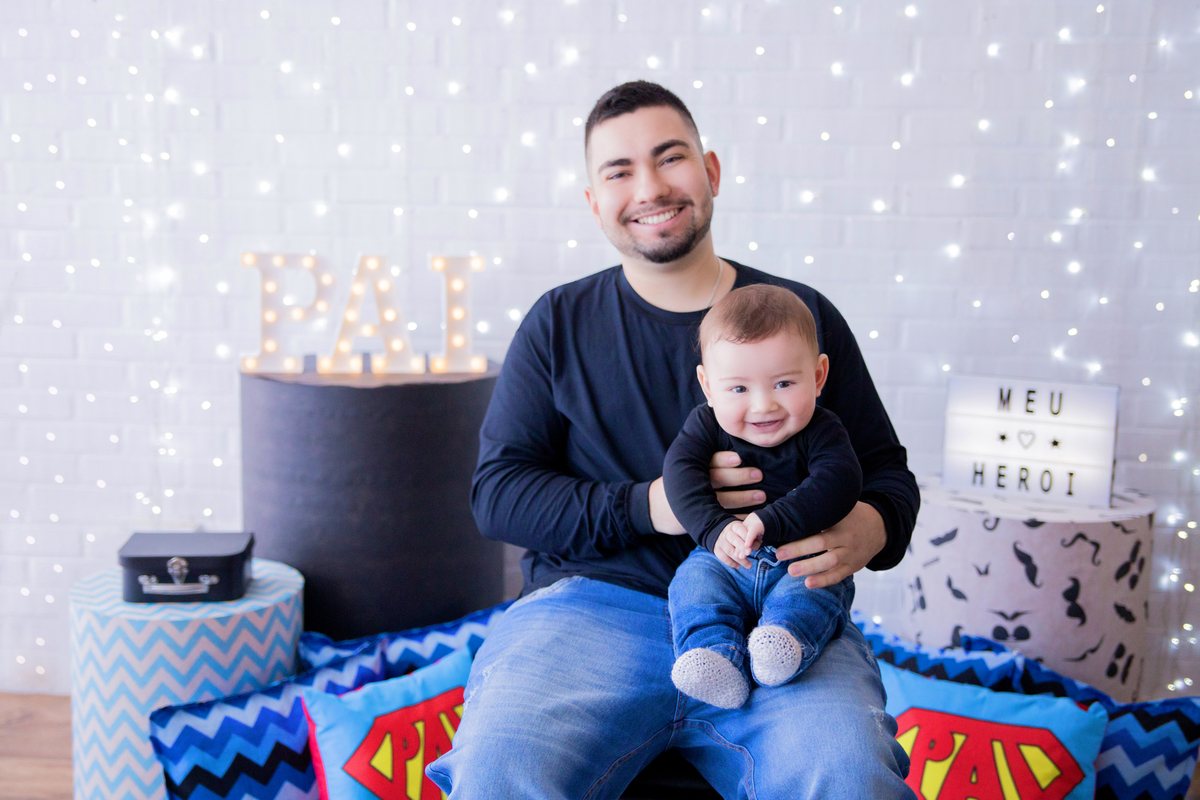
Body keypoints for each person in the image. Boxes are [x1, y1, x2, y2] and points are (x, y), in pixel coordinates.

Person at [427, 80, 919, 799]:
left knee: (847, 774)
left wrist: (869, 526)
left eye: (670, 158)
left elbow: (889, 476)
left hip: (775, 613)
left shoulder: (802, 317)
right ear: (595, 203)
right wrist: (657, 506)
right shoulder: (558, 323)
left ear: (711, 171)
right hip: (590, 610)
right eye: (619, 171)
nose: (650, 187)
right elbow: (498, 497)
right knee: (499, 768)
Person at [663, 284, 862, 710]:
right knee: (693, 584)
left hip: (799, 555)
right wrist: (714, 528)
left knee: (815, 590)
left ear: (819, 375)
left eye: (785, 382)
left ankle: (786, 642)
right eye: (738, 389)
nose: (763, 405)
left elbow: (840, 481)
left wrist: (773, 520)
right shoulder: (704, 425)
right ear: (708, 385)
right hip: (725, 556)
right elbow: (679, 475)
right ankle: (715, 657)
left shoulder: (823, 430)